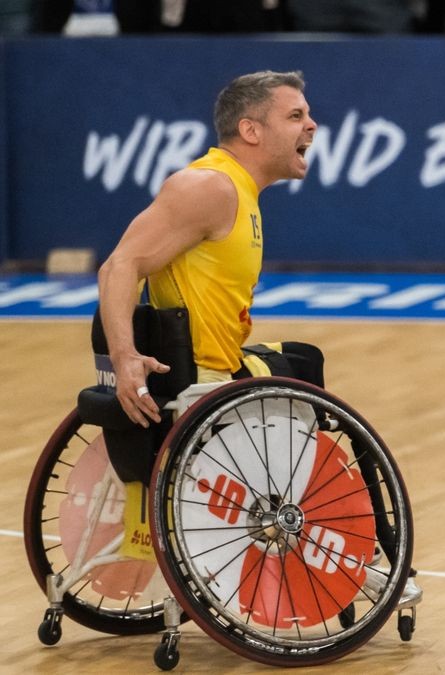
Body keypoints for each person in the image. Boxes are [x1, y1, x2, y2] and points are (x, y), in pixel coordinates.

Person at [96, 70, 321, 559]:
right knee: (304, 377)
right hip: (201, 382)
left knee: (303, 359)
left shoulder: (239, 190)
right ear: (251, 130)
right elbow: (119, 265)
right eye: (296, 115)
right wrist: (124, 357)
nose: (312, 126)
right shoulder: (209, 187)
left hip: (222, 366)